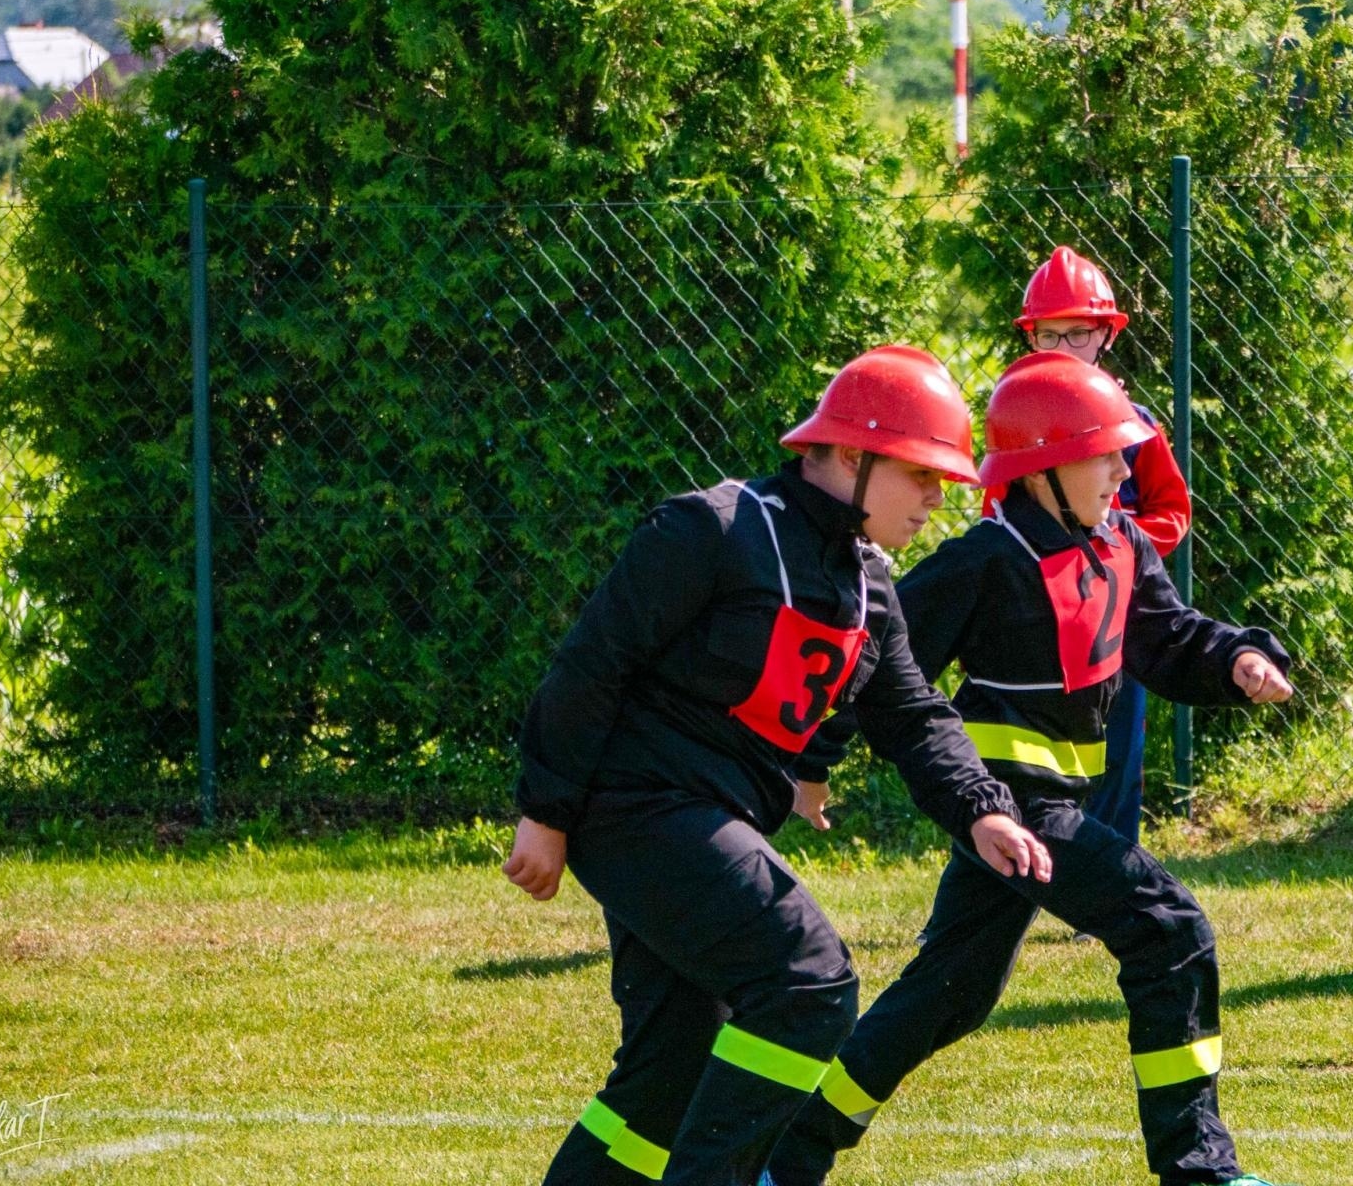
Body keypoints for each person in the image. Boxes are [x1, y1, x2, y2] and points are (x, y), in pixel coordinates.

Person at [502, 345, 1053, 1186]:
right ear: (851, 456)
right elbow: (591, 666)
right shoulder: (712, 529)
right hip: (637, 809)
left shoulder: (869, 586)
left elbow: (912, 716)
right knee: (809, 984)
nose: (938, 499)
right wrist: (545, 813)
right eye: (921, 474)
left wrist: (981, 806)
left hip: (708, 824)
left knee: (669, 1072)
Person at [763, 352, 1295, 1186]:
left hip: (1047, 811)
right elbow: (874, 664)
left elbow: (1170, 638)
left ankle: (787, 1157)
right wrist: (811, 760)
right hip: (1006, 807)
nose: (1123, 471)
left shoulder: (1121, 543)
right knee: (1170, 929)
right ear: (1044, 467)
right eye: (1105, 454)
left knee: (950, 993)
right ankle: (1199, 1170)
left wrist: (1237, 659)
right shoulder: (984, 559)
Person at [1015, 246, 1191, 844]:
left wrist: (1122, 551)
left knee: (1117, 749)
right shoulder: (1017, 420)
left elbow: (1172, 509)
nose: (1064, 349)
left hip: (1118, 616)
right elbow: (998, 516)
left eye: (1079, 334)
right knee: (1039, 749)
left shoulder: (1133, 425)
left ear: (1106, 335)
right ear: (1031, 338)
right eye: (1049, 335)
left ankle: (1115, 864)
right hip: (1045, 617)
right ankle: (1039, 860)